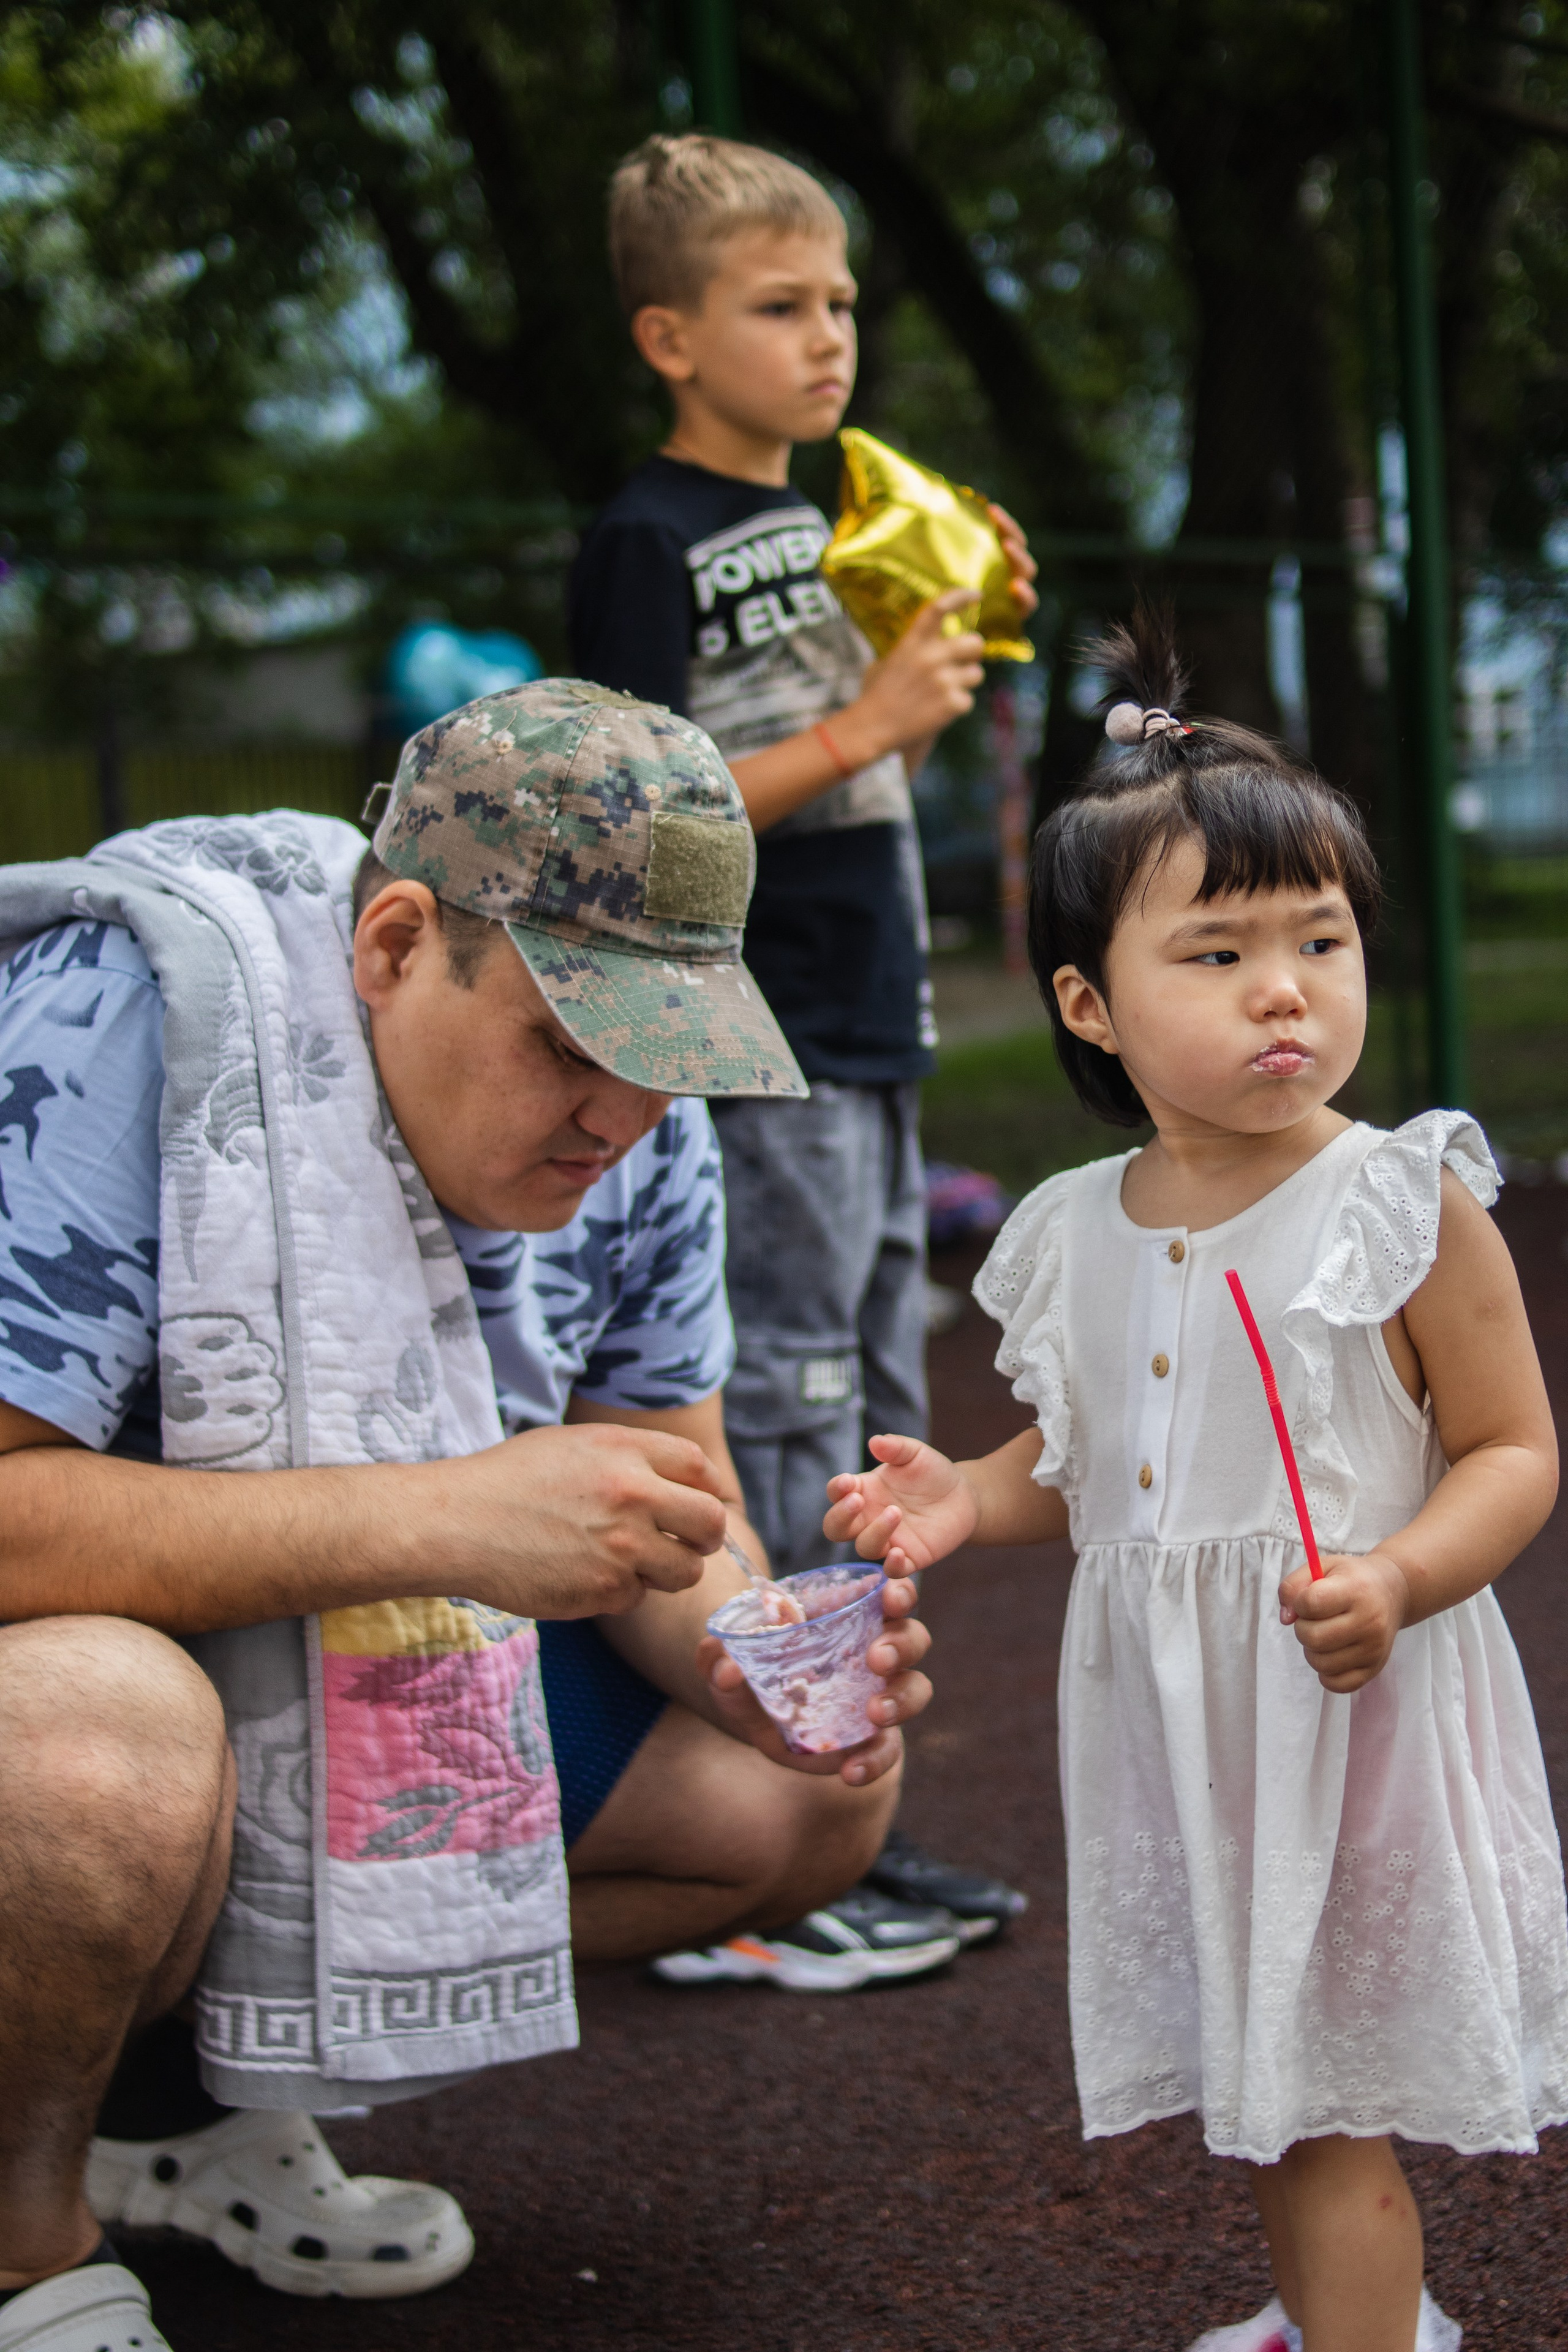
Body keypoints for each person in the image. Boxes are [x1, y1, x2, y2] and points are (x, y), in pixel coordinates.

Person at [0, 681, 935, 2352]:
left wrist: (745, 1653)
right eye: (569, 1046)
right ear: (394, 944)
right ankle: (24, 2236)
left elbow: (672, 1490)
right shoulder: (133, 1011)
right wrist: (443, 1519)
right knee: (99, 1764)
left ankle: (168, 2105)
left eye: (665, 1060)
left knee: (796, 1802)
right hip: (75, 1670)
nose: (619, 1119)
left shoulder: (647, 1125)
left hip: (306, 1680)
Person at [822, 609, 1568, 2352]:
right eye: (1219, 954)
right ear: (1091, 1002)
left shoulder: (1403, 1204)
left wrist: (1401, 1579)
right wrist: (966, 1495)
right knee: (1271, 2081)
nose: (1288, 987)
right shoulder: (1077, 1230)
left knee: (1325, 2114)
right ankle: (1337, 2321)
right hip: (1189, 1724)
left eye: (1320, 938)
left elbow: (1515, 1452)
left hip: (1352, 1710)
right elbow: (1090, 1467)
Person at [568, 131, 1033, 1967]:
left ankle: (846, 1813)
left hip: (872, 1005)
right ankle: (757, 1826)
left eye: (842, 300)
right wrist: (864, 726)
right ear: (671, 337)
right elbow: (635, 817)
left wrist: (962, 605)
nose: (830, 337)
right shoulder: (642, 536)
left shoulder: (847, 497)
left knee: (859, 1388)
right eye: (781, 307)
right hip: (752, 1030)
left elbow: (943, 668)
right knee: (775, 1397)